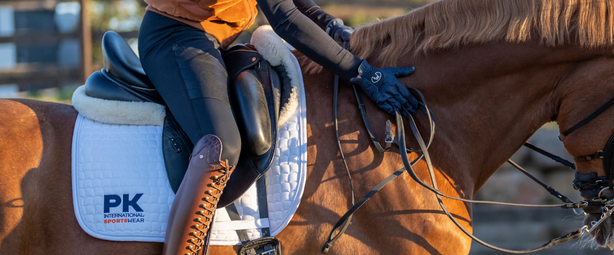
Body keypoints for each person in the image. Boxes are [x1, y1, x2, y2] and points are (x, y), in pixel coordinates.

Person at [137, 0, 419, 254]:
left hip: (212, 40)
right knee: (222, 145)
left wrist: (331, 26)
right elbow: (284, 18)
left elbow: (292, 2)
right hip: (174, 37)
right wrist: (361, 72)